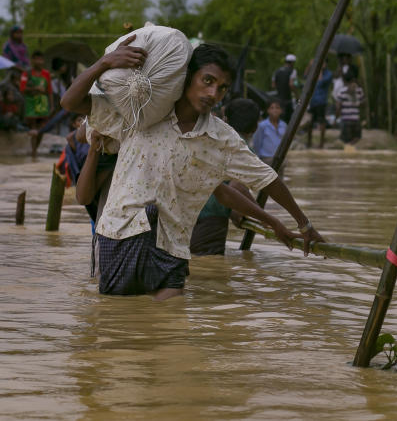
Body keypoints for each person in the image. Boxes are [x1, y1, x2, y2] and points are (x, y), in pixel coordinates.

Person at [61, 39, 325, 300]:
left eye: (222, 88)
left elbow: (268, 180)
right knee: (117, 327)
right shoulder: (139, 114)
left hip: (172, 247)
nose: (213, 94)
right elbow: (71, 102)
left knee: (171, 326)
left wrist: (302, 223)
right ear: (187, 78)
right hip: (121, 234)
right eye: (207, 81)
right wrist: (105, 63)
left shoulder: (222, 140)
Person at [189, 98, 261, 256]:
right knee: (209, 269)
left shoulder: (212, 140)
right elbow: (237, 187)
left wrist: (235, 209)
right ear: (256, 126)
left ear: (225, 121)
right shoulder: (244, 150)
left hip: (187, 211)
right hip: (211, 220)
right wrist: (261, 215)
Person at [21, 51, 53, 157]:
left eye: (41, 59)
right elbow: (22, 88)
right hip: (31, 104)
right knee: (34, 127)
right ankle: (34, 151)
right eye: (37, 59)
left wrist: (51, 105)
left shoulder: (46, 74)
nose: (39, 62)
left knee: (42, 128)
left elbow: (49, 91)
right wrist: (35, 88)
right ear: (32, 60)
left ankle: (34, 150)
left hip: (43, 104)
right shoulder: (27, 73)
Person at [336, 69, 366, 149]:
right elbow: (363, 104)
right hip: (355, 120)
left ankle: (348, 148)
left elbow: (338, 107)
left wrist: (336, 118)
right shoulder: (359, 90)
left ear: (344, 80)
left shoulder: (341, 91)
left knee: (345, 140)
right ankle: (350, 147)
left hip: (346, 120)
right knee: (357, 137)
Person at [252, 98, 287, 165]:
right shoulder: (262, 126)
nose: (275, 110)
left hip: (280, 159)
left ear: (281, 110)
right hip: (266, 159)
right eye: (272, 108)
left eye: (277, 108)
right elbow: (257, 143)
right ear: (268, 110)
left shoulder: (284, 125)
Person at [307, 62, 333, 149]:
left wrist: (320, 70)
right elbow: (305, 77)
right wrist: (310, 66)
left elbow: (321, 82)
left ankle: (321, 143)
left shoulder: (328, 74)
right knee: (310, 122)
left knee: (321, 121)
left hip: (321, 101)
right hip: (313, 101)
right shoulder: (314, 72)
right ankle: (309, 142)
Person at [272, 53, 299, 124]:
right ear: (292, 62)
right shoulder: (293, 71)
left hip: (278, 99)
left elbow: (273, 85)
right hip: (287, 99)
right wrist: (297, 96)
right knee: (288, 119)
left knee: (280, 119)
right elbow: (292, 84)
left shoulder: (277, 71)